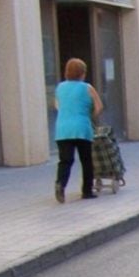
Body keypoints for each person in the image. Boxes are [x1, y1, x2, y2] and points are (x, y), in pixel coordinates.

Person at [54, 57, 104, 203]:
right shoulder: (87, 87)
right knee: (86, 160)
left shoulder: (60, 88)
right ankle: (87, 191)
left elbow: (57, 106)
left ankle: (60, 184)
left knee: (65, 160)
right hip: (82, 127)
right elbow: (99, 106)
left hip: (63, 129)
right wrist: (90, 115)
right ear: (82, 73)